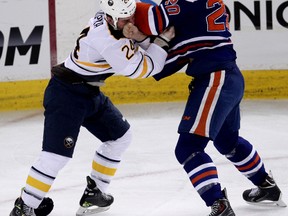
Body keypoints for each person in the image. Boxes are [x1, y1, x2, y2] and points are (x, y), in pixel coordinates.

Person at [9, 0, 175, 215]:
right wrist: (160, 42)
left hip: (88, 92)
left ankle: (95, 193)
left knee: (120, 136)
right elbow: (144, 69)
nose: (131, 21)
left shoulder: (110, 18)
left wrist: (140, 36)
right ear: (111, 18)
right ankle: (25, 206)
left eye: (131, 16)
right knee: (55, 156)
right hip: (66, 96)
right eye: (125, 19)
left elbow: (132, 36)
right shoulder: (109, 42)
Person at [124, 0, 287, 215]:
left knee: (188, 148)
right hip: (229, 77)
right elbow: (181, 51)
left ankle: (218, 204)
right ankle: (267, 187)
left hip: (215, 81)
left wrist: (137, 34)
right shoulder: (203, 7)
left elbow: (153, 25)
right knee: (227, 141)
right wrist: (151, 41)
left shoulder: (179, 6)